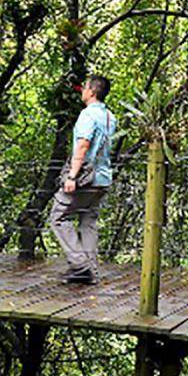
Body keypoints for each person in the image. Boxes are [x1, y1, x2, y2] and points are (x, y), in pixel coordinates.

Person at [47, 73, 116, 284]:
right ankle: (91, 270)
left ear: (92, 92)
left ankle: (80, 265)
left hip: (86, 178)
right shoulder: (110, 117)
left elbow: (83, 145)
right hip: (103, 178)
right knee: (89, 221)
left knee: (58, 217)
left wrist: (71, 176)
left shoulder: (87, 115)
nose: (82, 91)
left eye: (85, 88)